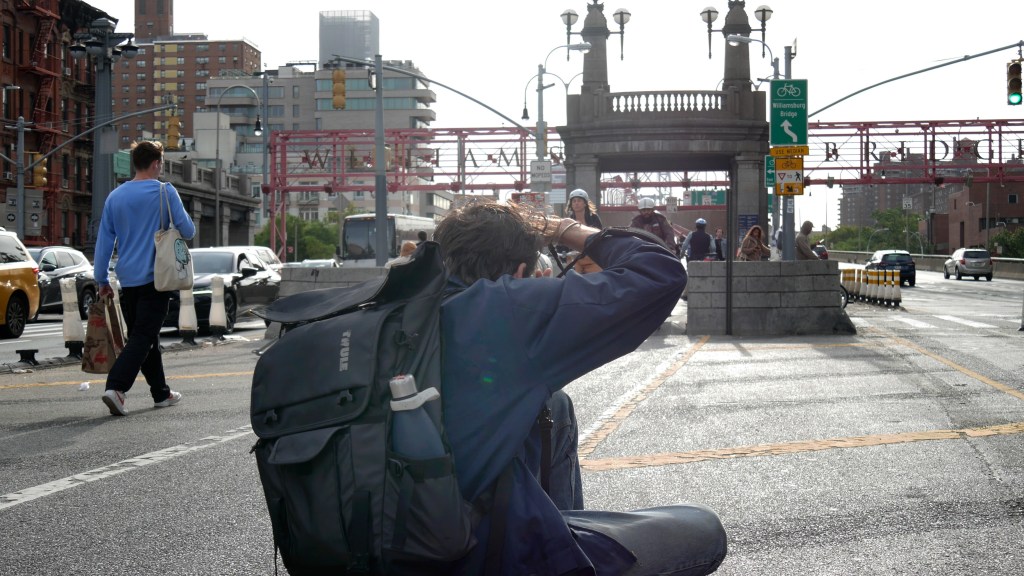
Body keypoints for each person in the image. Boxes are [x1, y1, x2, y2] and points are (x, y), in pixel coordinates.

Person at [434, 201, 726, 576]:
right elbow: (660, 270)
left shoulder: (384, 308)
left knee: (556, 406)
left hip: (382, 541)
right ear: (521, 272)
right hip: (474, 550)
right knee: (702, 528)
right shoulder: (505, 308)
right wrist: (564, 228)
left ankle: (562, 537)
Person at [93, 141, 195, 416]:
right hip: (157, 278)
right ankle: (116, 388)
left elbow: (104, 241)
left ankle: (161, 393)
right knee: (142, 336)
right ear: (156, 163)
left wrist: (101, 279)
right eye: (160, 163)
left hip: (128, 279)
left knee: (147, 336)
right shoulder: (165, 191)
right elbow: (187, 230)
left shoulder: (115, 197)